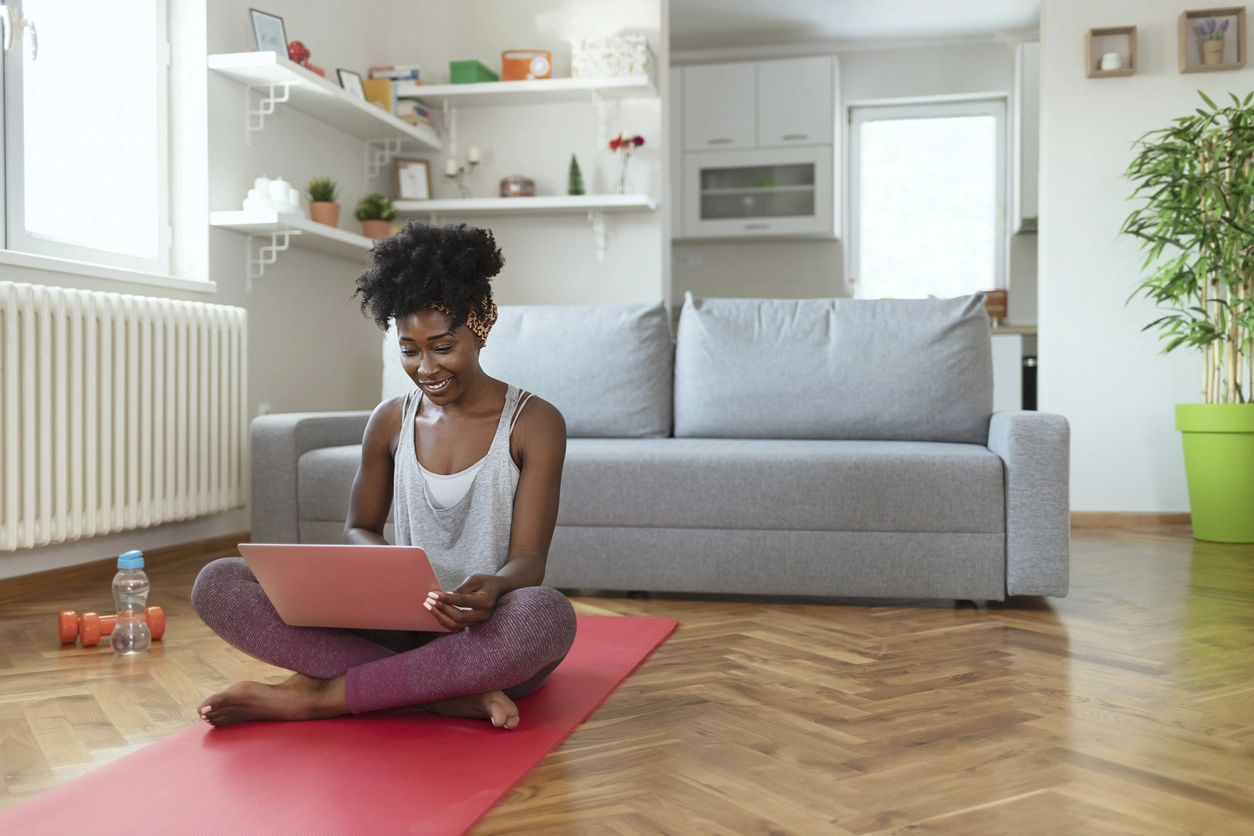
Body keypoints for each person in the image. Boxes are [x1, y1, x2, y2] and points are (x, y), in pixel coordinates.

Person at [191, 222, 576, 729]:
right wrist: (388, 576)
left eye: (442, 346)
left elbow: (529, 559)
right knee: (218, 583)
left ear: (480, 325)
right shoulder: (390, 419)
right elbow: (359, 527)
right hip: (395, 627)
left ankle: (322, 697)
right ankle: (443, 695)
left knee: (545, 617)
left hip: (483, 634)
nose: (426, 367)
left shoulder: (534, 422)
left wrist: (497, 588)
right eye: (409, 349)